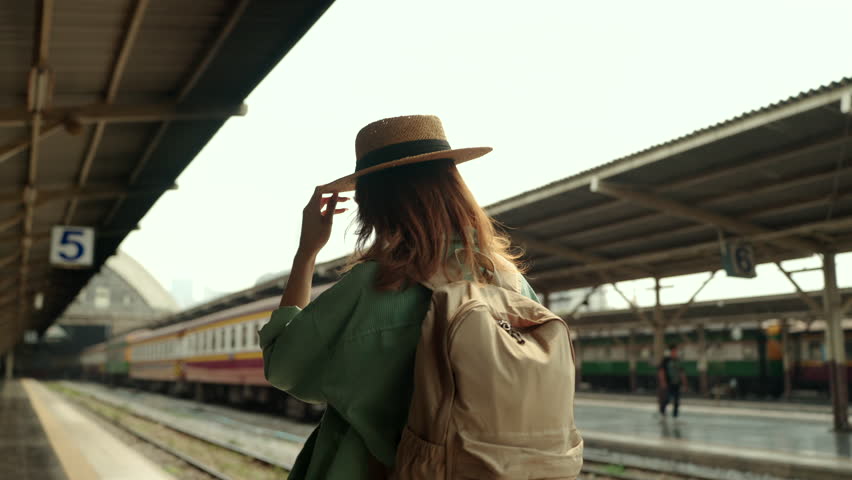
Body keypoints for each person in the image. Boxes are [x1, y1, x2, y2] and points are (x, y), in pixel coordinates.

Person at [259, 115, 541, 479]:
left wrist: (306, 253)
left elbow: (284, 366)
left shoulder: (377, 284)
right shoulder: (511, 282)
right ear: (454, 187)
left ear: (373, 203)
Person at [658, 344, 688, 419]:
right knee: (667, 399)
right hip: (668, 384)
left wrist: (684, 383)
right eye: (673, 351)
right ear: (670, 352)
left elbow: (682, 373)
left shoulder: (678, 360)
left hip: (676, 384)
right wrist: (663, 382)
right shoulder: (666, 360)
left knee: (677, 401)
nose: (675, 352)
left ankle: (675, 416)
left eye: (676, 351)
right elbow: (661, 371)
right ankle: (662, 411)